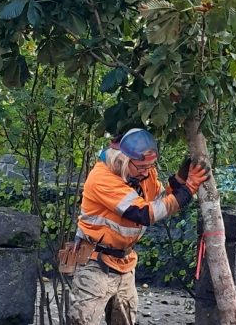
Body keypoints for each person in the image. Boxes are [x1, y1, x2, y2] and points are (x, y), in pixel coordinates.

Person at [67, 128, 209, 325]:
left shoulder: (145, 173)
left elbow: (160, 201)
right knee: (82, 321)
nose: (147, 171)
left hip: (125, 262)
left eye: (150, 165)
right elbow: (144, 213)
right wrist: (188, 190)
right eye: (141, 166)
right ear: (124, 159)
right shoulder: (102, 177)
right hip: (94, 262)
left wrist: (179, 182)